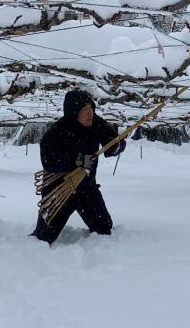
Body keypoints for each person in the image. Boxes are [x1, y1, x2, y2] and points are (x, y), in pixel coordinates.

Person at [31, 89, 125, 244]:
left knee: (104, 229)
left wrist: (117, 146)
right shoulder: (56, 132)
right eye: (84, 110)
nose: (90, 114)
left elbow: (113, 141)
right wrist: (79, 160)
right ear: (74, 112)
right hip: (59, 191)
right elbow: (49, 161)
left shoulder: (96, 124)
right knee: (43, 238)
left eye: (91, 108)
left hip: (86, 189)